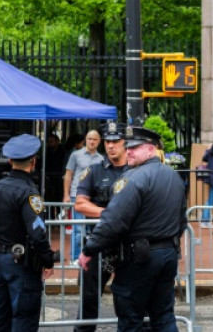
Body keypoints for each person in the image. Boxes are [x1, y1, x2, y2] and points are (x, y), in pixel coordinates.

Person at [79, 126, 187, 332]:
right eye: (128, 147)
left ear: (151, 150)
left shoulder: (133, 178)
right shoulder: (173, 176)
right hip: (167, 254)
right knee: (163, 316)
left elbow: (113, 220)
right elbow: (181, 221)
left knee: (131, 318)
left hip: (140, 258)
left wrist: (88, 250)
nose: (129, 151)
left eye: (135, 148)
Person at [0, 134, 57, 332]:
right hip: (22, 264)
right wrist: (48, 260)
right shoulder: (29, 193)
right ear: (34, 161)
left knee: (0, 318)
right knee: (24, 318)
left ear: (10, 161)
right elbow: (38, 234)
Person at [72, 122, 129, 332]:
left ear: (124, 143)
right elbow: (80, 203)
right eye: (108, 142)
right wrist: (107, 214)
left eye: (116, 142)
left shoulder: (136, 170)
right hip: (100, 243)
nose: (111, 146)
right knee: (88, 297)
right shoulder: (94, 171)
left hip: (128, 243)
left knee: (128, 297)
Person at [64, 130, 103, 263]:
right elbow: (68, 175)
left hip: (93, 198)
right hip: (77, 196)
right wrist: (66, 195)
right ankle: (75, 258)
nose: (92, 141)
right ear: (85, 139)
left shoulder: (101, 159)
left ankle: (88, 257)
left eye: (95, 139)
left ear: (99, 142)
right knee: (78, 229)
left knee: (91, 229)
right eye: (89, 138)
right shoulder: (75, 155)